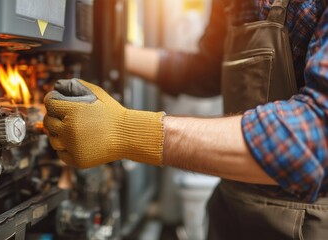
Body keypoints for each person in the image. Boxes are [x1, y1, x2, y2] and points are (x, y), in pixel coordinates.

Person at [44, 0, 328, 239]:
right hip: (231, 212)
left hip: (302, 223)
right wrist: (111, 54)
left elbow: (314, 135)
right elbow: (206, 70)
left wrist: (126, 131)